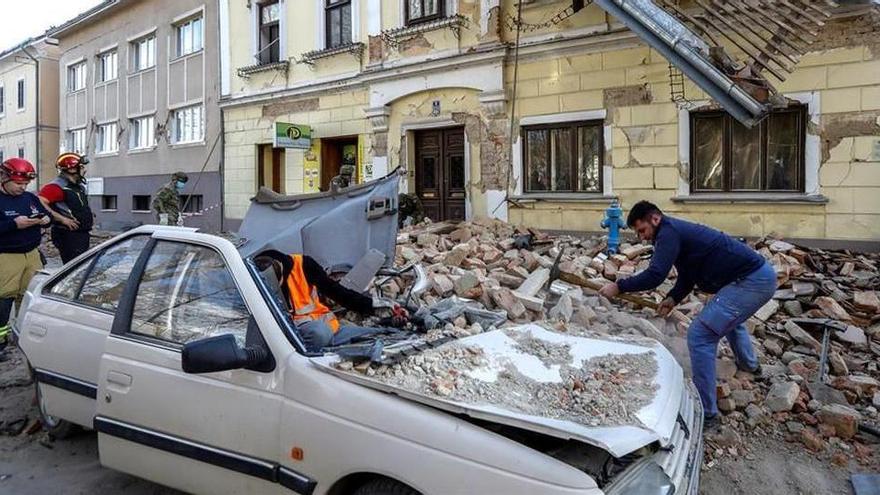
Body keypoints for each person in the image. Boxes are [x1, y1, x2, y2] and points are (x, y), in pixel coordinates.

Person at [598, 201, 775, 428]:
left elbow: (655, 274)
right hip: (756, 277)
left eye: (642, 230)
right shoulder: (675, 231)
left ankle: (706, 413)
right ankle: (750, 366)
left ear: (655, 219)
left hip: (753, 281)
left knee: (700, 334)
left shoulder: (668, 233)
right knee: (726, 319)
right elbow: (688, 275)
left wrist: (620, 286)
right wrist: (673, 298)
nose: (642, 238)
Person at [256, 251, 407, 353]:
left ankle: (393, 324)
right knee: (320, 333)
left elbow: (338, 292)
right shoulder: (255, 275)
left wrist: (376, 306)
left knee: (376, 336)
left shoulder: (303, 265)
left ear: (281, 270)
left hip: (329, 330)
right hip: (302, 335)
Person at [0, 158, 51, 360]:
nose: (23, 188)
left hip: (31, 254)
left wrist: (46, 219)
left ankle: (23, 335)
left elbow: (45, 213)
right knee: (4, 299)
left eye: (25, 184)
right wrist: (14, 224)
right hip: (6, 256)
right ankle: (0, 343)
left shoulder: (29, 197)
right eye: (18, 184)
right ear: (4, 178)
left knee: (30, 296)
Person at [38, 152, 94, 264]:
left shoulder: (78, 186)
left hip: (81, 234)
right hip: (68, 235)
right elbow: (39, 201)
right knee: (74, 268)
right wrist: (62, 219)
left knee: (81, 267)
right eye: (81, 167)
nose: (84, 170)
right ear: (72, 169)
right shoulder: (56, 186)